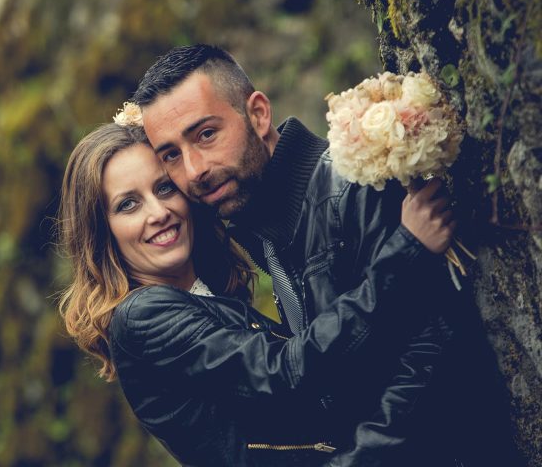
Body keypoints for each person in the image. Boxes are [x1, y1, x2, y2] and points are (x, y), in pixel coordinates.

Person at [131, 44, 520, 466]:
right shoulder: (265, 237)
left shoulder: (357, 186)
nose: (193, 170)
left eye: (206, 134)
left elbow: (432, 359)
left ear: (258, 115)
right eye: (171, 154)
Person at [57, 121, 461, 466]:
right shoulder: (143, 316)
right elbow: (282, 372)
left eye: (164, 188)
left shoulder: (206, 296)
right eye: (128, 204)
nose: (158, 212)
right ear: (101, 231)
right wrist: (407, 251)